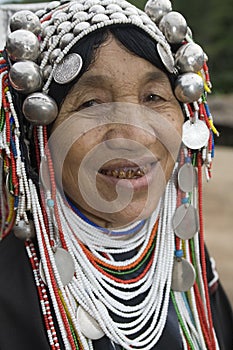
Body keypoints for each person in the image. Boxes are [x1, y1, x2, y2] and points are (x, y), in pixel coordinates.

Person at [0, 0, 232, 349]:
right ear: (39, 132)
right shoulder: (10, 288)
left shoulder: (190, 265)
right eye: (91, 104)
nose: (136, 134)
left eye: (154, 97)